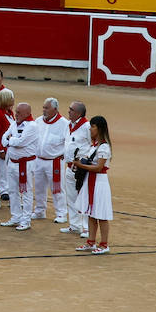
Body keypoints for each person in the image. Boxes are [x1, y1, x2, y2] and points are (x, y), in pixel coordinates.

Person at [68, 115, 112, 254]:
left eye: (93, 127)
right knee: (91, 213)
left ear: (99, 128)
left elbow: (99, 167)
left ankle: (104, 245)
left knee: (101, 215)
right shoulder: (95, 146)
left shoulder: (104, 147)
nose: (90, 129)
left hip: (99, 182)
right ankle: (91, 242)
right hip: (92, 181)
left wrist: (81, 165)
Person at [2, 100, 40, 230]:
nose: (16, 114)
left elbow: (21, 142)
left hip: (26, 164)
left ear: (27, 113)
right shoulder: (14, 123)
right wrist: (11, 140)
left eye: (19, 112)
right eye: (16, 112)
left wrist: (10, 140)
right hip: (12, 162)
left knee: (26, 191)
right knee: (12, 191)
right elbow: (3, 139)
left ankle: (26, 220)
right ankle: (15, 217)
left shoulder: (32, 126)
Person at [32, 97, 69, 223]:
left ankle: (61, 213)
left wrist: (64, 155)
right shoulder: (38, 121)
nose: (44, 110)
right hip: (39, 160)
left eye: (46, 108)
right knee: (39, 187)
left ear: (55, 109)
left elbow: (68, 143)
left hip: (55, 162)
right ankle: (39, 210)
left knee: (57, 189)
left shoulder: (64, 124)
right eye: (43, 107)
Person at [61, 101, 91, 236]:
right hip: (69, 167)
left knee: (83, 197)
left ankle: (86, 227)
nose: (68, 112)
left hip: (81, 168)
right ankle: (74, 224)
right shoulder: (69, 125)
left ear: (78, 113)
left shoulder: (87, 127)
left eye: (71, 110)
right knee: (71, 197)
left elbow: (93, 145)